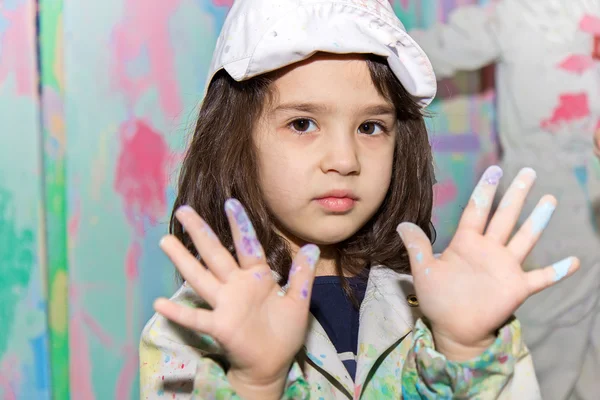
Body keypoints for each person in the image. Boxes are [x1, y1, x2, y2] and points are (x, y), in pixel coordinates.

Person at [139, 1, 579, 398]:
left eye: (370, 127)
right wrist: (255, 383)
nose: (345, 160)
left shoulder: (446, 305)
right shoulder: (191, 329)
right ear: (233, 140)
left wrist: (465, 351)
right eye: (302, 124)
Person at [409, 2, 600, 399]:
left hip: (583, 174)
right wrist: (367, 49)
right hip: (549, 188)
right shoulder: (518, 11)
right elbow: (433, 49)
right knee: (546, 309)